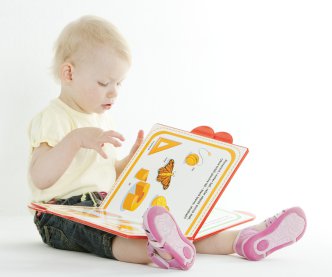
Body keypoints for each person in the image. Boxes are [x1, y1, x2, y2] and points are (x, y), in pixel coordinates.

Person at [28, 15, 307, 270]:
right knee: (109, 237)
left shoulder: (100, 119)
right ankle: (159, 251)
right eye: (104, 83)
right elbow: (40, 178)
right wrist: (76, 139)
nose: (113, 92)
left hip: (104, 205)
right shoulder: (54, 117)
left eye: (119, 83)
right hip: (60, 213)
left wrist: (131, 163)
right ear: (69, 73)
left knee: (167, 223)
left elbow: (106, 175)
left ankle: (241, 240)